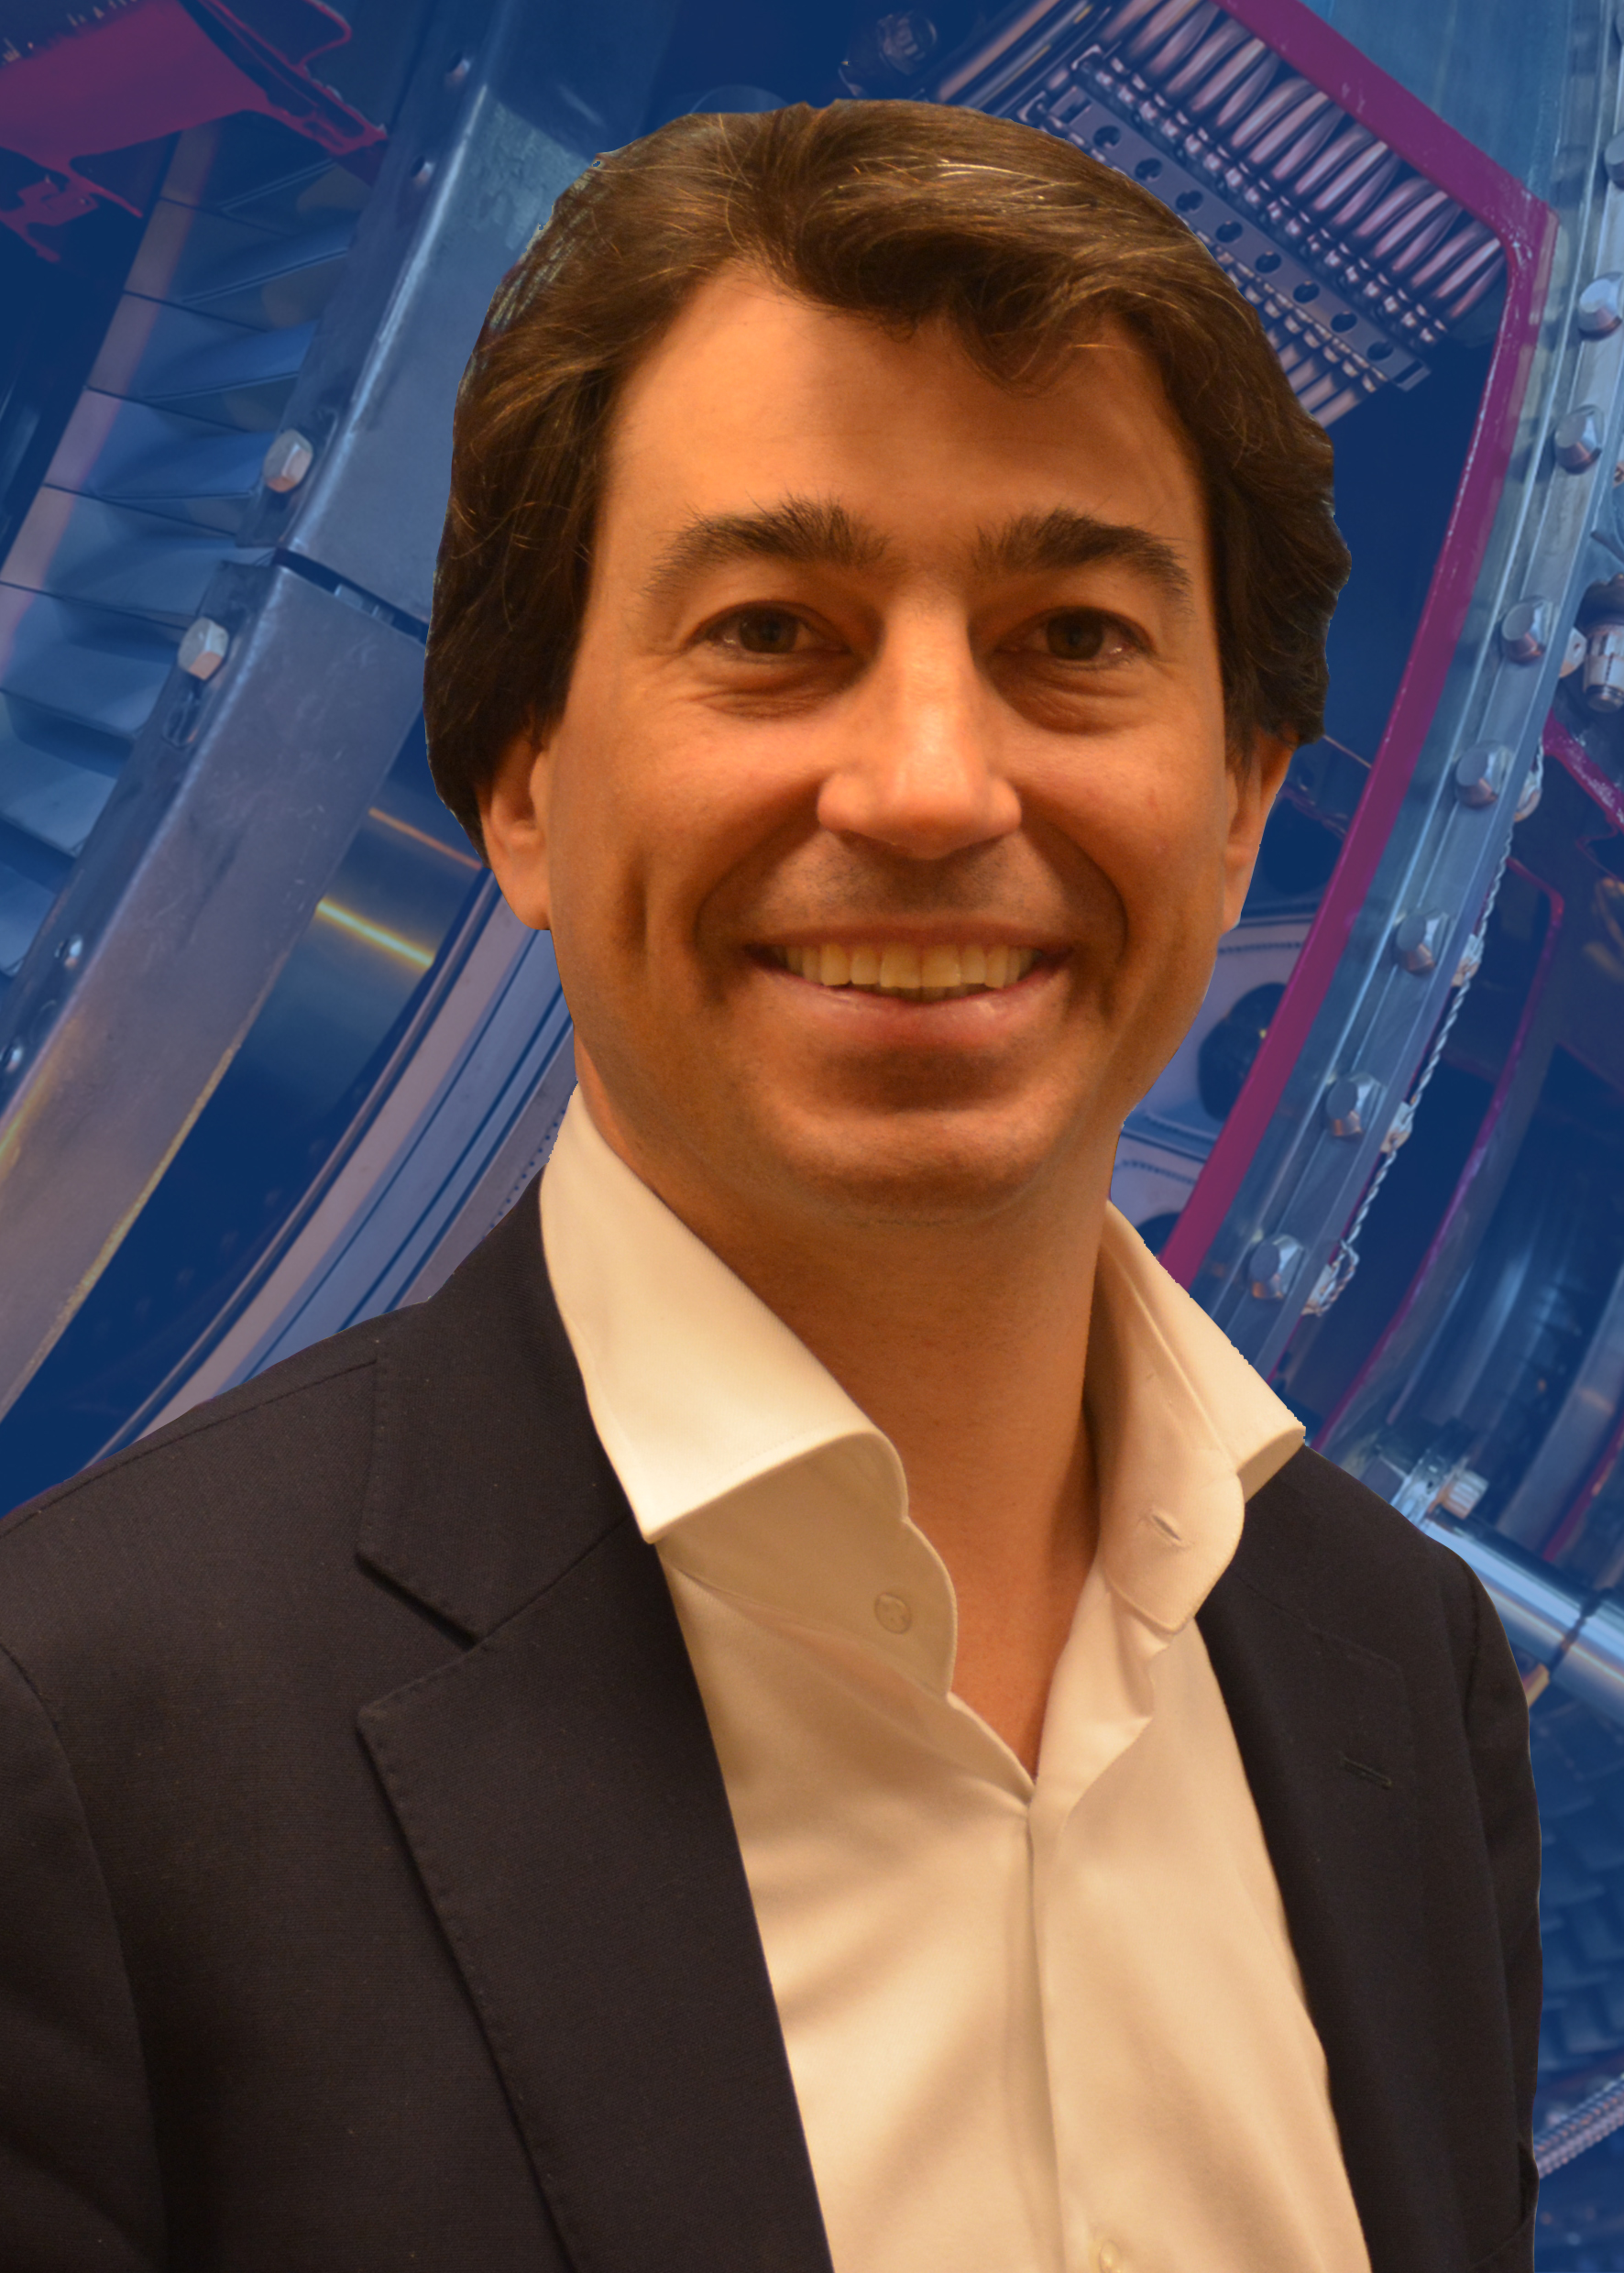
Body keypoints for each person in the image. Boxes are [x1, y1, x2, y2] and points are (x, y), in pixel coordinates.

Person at [0, 100, 1538, 2273]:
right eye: (767, 630)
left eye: (1074, 637)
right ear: (520, 785)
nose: (927, 785)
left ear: (1238, 808)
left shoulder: (1399, 1670)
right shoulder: (76, 1745)